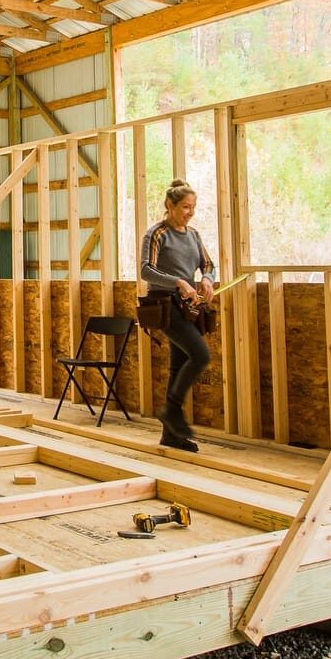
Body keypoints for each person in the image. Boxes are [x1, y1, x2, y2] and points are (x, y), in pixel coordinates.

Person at [140, 178, 216, 453]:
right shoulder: (157, 234)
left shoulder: (193, 235)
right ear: (170, 206)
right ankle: (171, 411)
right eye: (185, 207)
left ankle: (170, 436)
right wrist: (179, 282)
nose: (190, 212)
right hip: (164, 305)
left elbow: (207, 263)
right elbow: (146, 270)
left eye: (193, 207)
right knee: (201, 355)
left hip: (187, 308)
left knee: (178, 365)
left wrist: (206, 278)